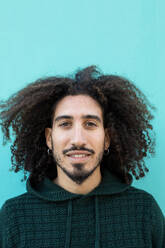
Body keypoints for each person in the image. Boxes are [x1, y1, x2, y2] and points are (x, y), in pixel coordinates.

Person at [0, 66, 164, 248]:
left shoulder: (144, 211)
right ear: (49, 138)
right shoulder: (14, 217)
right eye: (65, 124)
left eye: (90, 124)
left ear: (107, 138)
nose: (78, 139)